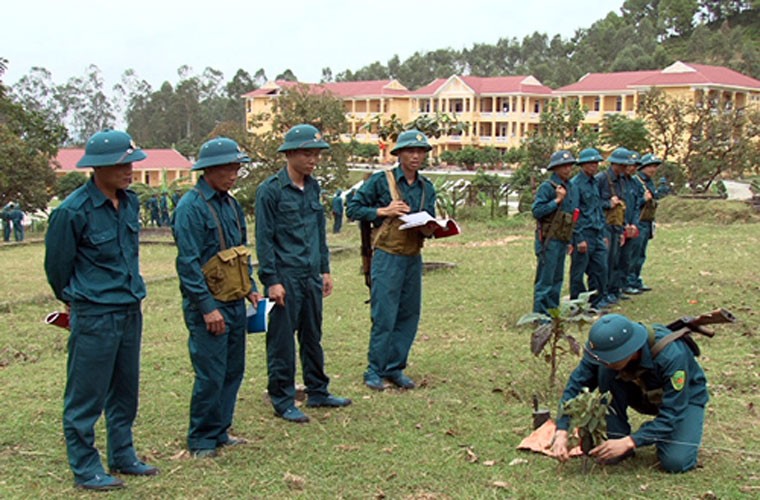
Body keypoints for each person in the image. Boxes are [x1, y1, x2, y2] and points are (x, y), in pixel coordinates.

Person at [44, 129, 158, 491]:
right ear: (98, 167)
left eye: (131, 163)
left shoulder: (131, 202)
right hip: (94, 313)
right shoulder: (72, 211)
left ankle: (122, 454)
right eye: (122, 164)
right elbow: (57, 267)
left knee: (125, 391)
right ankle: (85, 467)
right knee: (86, 394)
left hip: (128, 308)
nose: (129, 170)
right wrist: (75, 299)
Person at [172, 137, 262, 457]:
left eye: (237, 168)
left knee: (232, 370)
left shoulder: (231, 204)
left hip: (235, 300)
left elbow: (239, 252)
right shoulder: (191, 208)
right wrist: (207, 308)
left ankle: (221, 428)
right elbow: (188, 264)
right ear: (208, 169)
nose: (234, 174)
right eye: (227, 168)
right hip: (209, 305)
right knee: (210, 373)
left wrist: (249, 285)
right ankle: (201, 438)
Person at [255, 124, 351, 423]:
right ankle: (282, 398)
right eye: (308, 154)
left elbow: (318, 233)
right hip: (285, 276)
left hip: (310, 274)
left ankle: (318, 390)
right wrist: (271, 280)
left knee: (313, 336)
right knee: (282, 341)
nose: (313, 160)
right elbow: (264, 238)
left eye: (316, 155)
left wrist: (325, 269)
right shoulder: (270, 191)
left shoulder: (313, 187)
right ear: (291, 154)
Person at [551, 314, 708, 473]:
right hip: (642, 394)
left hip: (683, 400)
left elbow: (673, 411)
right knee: (605, 373)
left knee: (675, 462)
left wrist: (632, 441)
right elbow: (576, 385)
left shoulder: (672, 355)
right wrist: (562, 430)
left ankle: (651, 436)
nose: (604, 362)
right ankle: (617, 435)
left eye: (611, 359)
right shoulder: (602, 350)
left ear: (631, 351)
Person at [347, 129, 438, 391]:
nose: (416, 156)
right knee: (384, 314)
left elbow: (429, 217)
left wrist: (430, 228)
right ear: (398, 154)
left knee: (409, 314)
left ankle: (395, 367)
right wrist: (383, 211)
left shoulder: (425, 188)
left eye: (421, 152)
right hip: (387, 255)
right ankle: (374, 369)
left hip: (413, 255)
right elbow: (352, 208)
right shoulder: (380, 181)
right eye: (410, 151)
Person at [531, 150, 579, 316]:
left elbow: (573, 215)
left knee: (557, 278)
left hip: (563, 238)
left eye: (569, 165)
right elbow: (537, 211)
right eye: (563, 166)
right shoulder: (548, 187)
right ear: (555, 168)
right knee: (545, 279)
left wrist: (571, 240)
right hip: (548, 240)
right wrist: (557, 200)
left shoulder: (572, 187)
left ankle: (552, 311)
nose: (567, 169)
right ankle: (540, 314)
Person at [569, 148, 609, 309]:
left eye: (596, 163)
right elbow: (574, 212)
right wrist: (578, 238)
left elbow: (598, 209)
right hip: (583, 233)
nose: (594, 166)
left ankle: (596, 302)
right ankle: (577, 304)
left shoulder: (595, 183)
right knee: (578, 272)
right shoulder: (576, 184)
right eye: (590, 163)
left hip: (597, 232)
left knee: (600, 269)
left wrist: (603, 232)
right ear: (582, 165)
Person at [596, 148, 629, 305]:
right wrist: (608, 203)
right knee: (605, 262)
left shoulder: (622, 180)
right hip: (605, 225)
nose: (624, 168)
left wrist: (623, 229)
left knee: (615, 259)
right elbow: (594, 204)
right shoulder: (601, 179)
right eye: (621, 165)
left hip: (617, 224)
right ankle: (602, 292)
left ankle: (613, 290)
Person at [627, 153, 662, 292]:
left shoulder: (650, 183)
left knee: (641, 253)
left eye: (655, 167)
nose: (653, 170)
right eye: (650, 167)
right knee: (633, 253)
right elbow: (633, 203)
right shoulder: (636, 181)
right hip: (638, 220)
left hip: (647, 220)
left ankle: (636, 279)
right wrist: (643, 199)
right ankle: (629, 281)